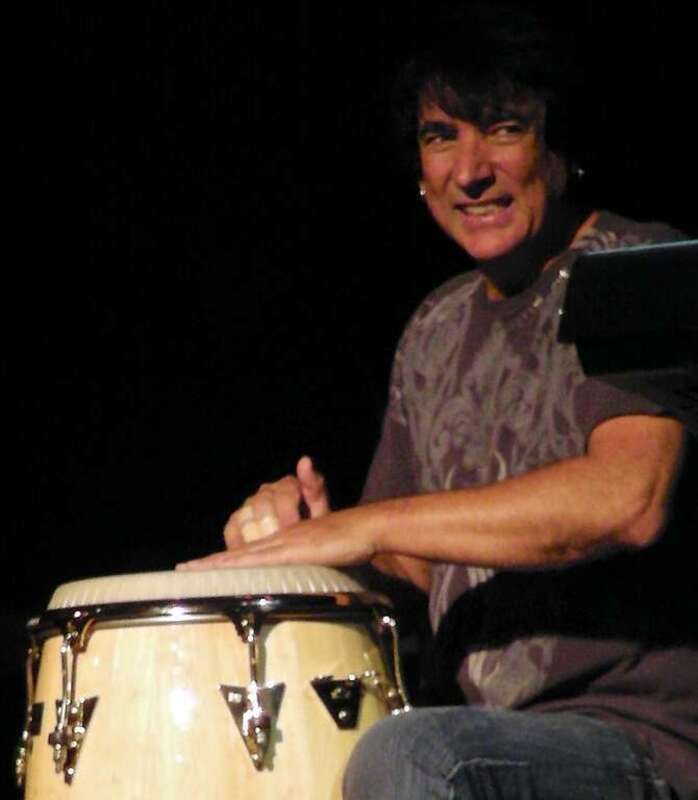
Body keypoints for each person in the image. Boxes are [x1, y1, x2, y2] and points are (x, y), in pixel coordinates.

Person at [179, 5, 697, 798]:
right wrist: (312, 539)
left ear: (558, 150)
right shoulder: (435, 327)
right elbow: (412, 568)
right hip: (492, 740)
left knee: (409, 755)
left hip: (643, 744)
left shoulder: (635, 266)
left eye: (504, 130)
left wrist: (370, 524)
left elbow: (630, 497)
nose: (470, 169)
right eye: (440, 137)